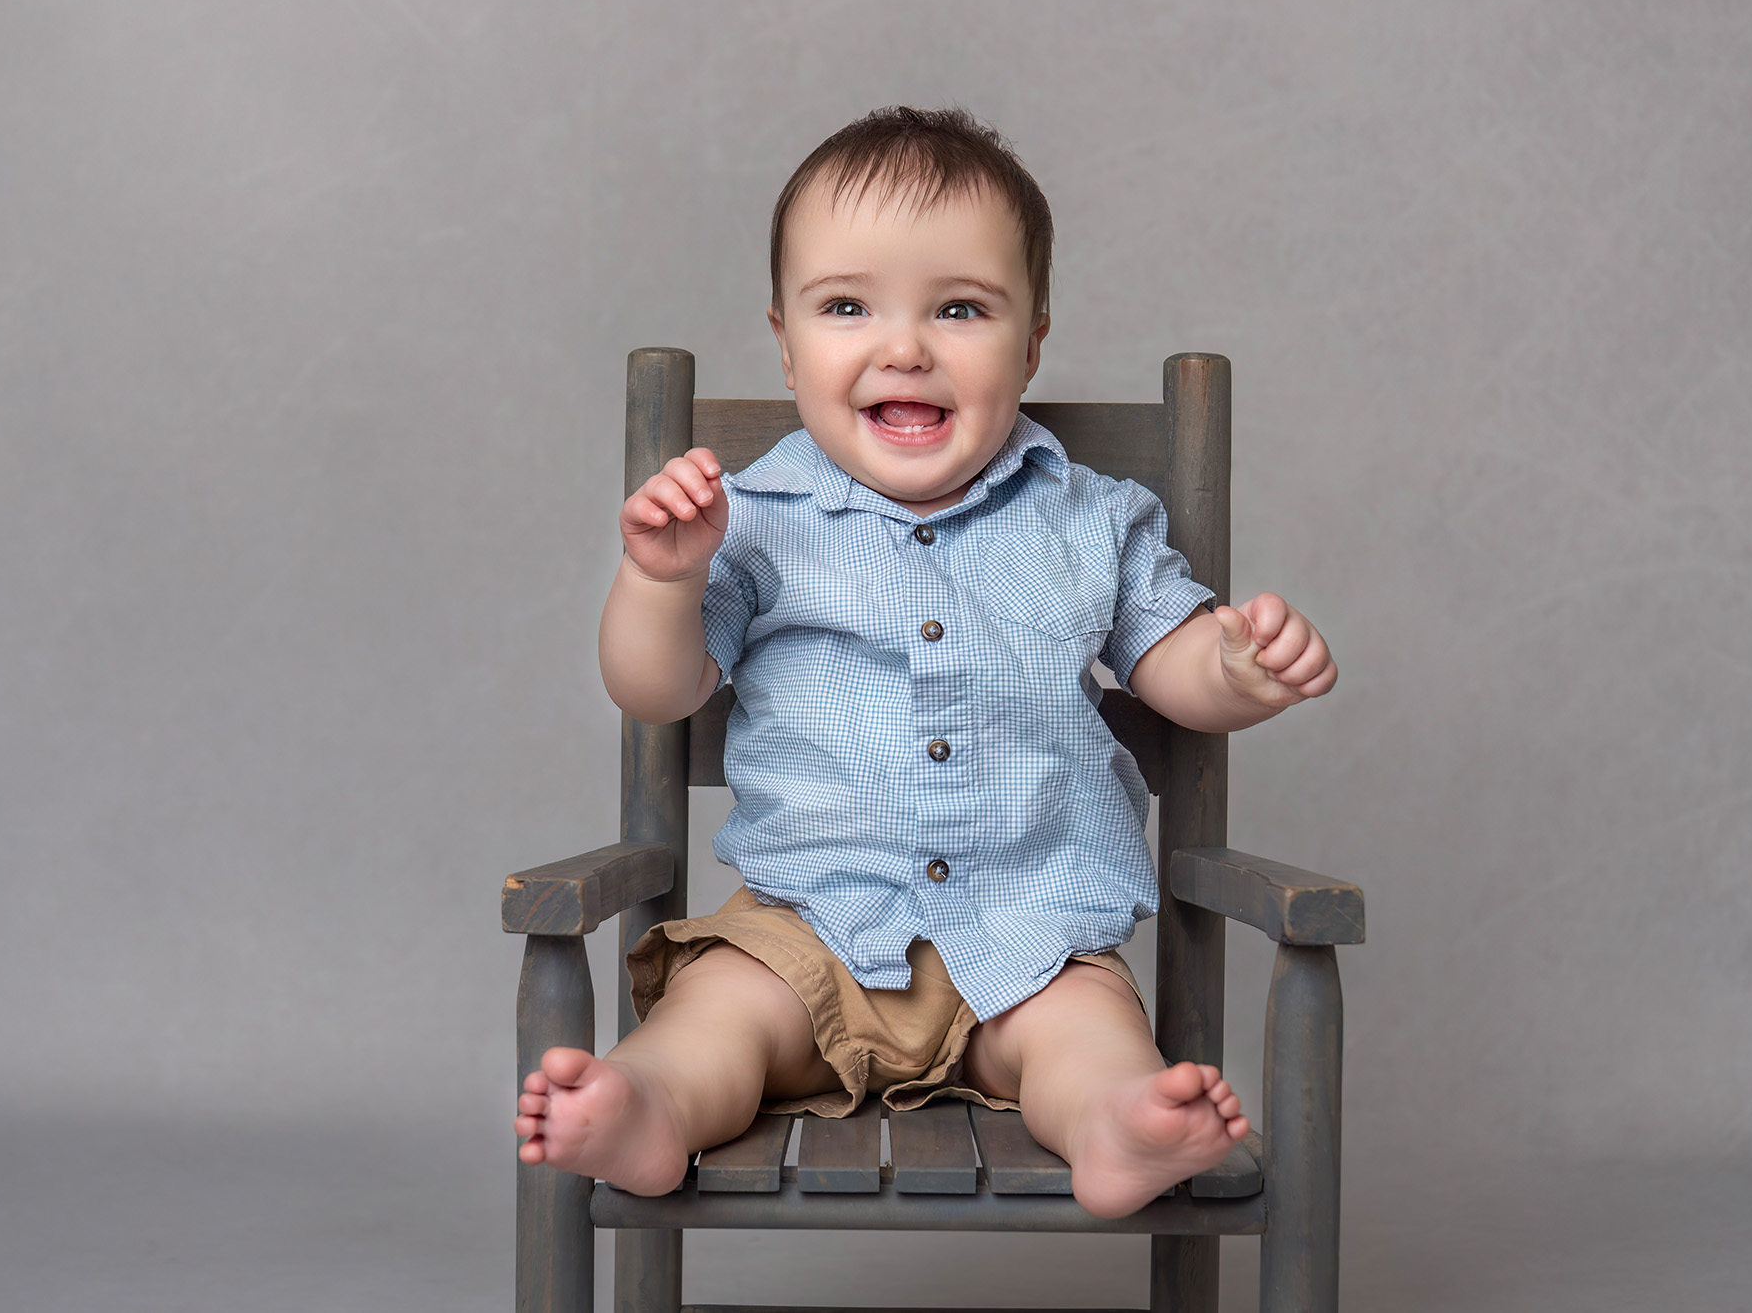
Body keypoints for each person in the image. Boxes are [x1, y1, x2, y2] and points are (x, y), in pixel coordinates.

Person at [514, 107, 1336, 1220]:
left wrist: (1235, 669)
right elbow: (654, 689)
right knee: (711, 1023)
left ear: (1032, 340)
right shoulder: (747, 518)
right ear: (786, 339)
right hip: (803, 928)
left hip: (1032, 937)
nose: (903, 348)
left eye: (959, 309)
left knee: (1087, 1046)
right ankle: (647, 1109)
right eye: (846, 306)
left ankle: (1116, 1130)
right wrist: (663, 580)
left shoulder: (1091, 520)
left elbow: (1168, 663)